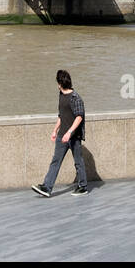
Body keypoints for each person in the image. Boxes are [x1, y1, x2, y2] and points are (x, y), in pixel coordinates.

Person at [32, 69, 88, 198]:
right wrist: (55, 130)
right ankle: (47, 187)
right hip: (61, 135)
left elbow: (79, 117)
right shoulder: (61, 95)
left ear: (59, 83)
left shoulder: (76, 98)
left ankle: (83, 186)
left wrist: (69, 133)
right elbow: (61, 115)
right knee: (55, 161)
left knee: (78, 161)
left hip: (74, 136)